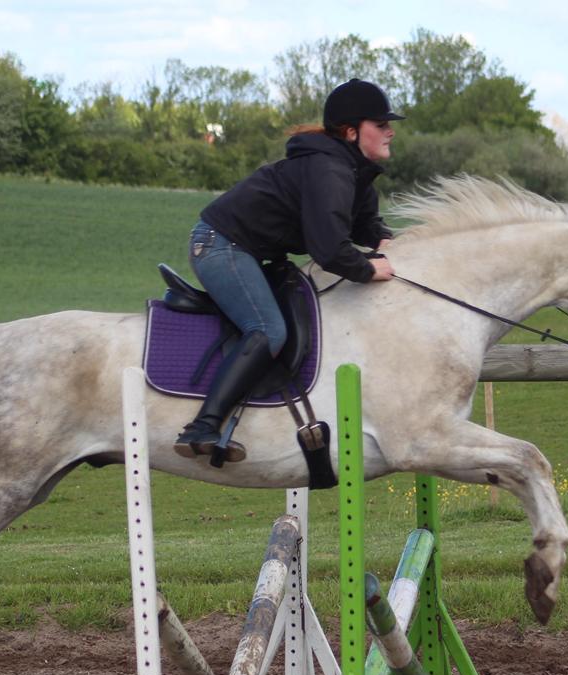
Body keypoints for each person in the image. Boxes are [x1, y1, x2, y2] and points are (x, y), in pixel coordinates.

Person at [173, 78, 404, 462]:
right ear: (351, 132)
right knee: (268, 330)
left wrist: (383, 239)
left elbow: (364, 222)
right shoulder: (329, 169)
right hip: (219, 245)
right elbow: (329, 249)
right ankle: (202, 427)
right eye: (380, 124)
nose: (390, 131)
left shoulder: (354, 170)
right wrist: (366, 269)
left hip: (246, 250)